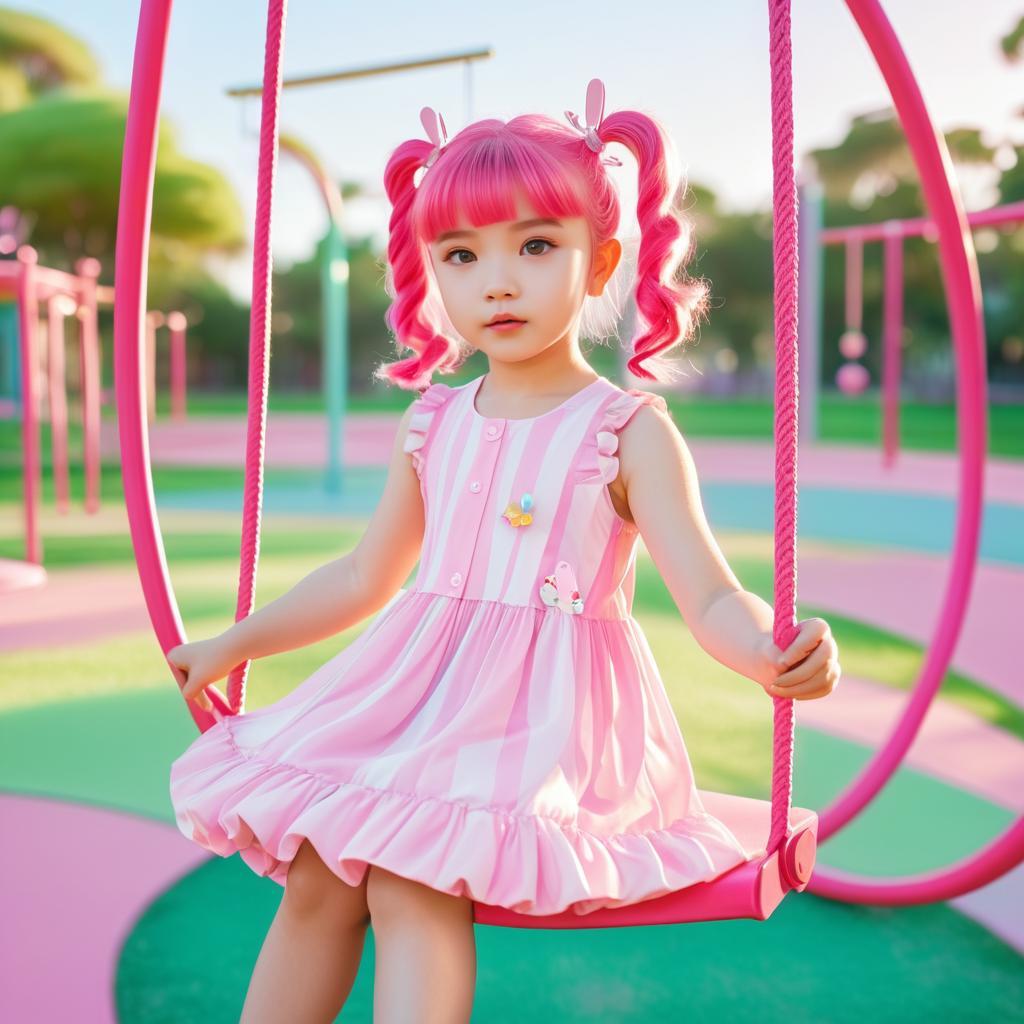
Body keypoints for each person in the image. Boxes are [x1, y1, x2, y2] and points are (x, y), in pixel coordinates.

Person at [166, 78, 841, 1024]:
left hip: (542, 724)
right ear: (432, 273)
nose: (497, 280)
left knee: (411, 880)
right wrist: (238, 643)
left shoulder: (628, 430)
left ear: (599, 258)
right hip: (418, 697)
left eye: (534, 246)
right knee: (322, 871)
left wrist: (774, 652)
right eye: (461, 253)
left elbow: (712, 598)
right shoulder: (432, 420)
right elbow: (366, 576)